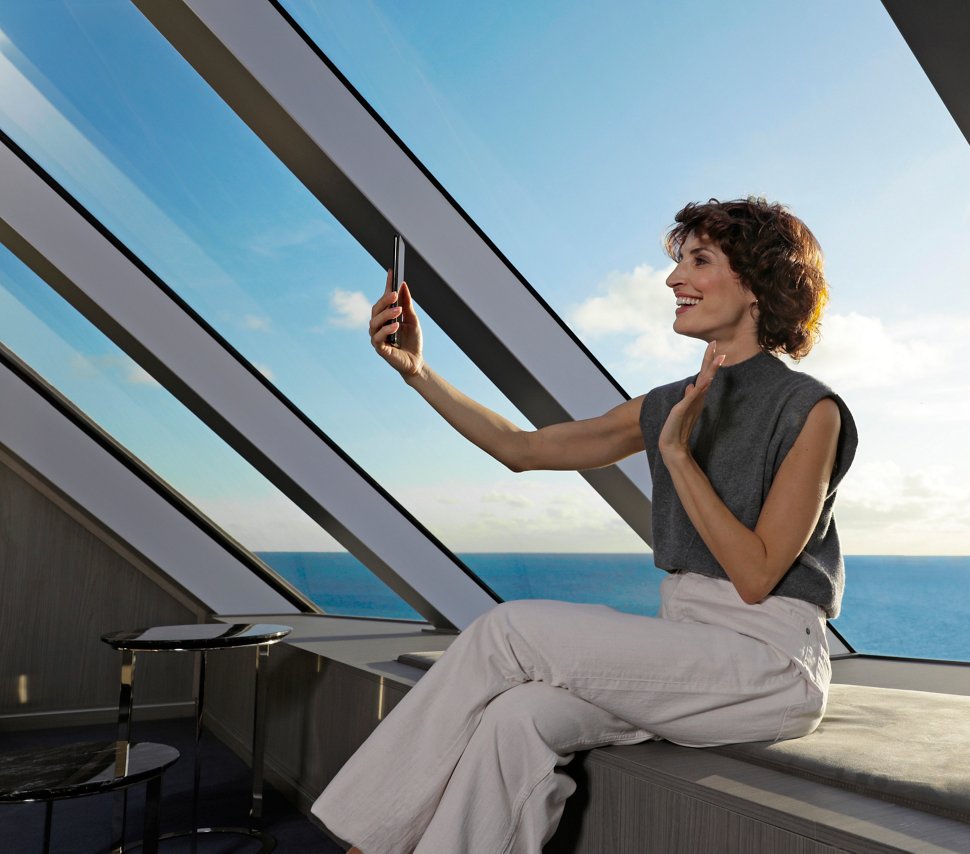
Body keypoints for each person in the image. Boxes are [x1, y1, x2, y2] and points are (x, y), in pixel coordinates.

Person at [311, 197, 858, 854]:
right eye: (678, 261)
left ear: (758, 285)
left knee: (506, 631)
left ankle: (362, 844)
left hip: (769, 667)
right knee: (519, 716)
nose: (673, 279)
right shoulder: (665, 405)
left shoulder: (810, 410)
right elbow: (525, 449)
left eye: (699, 260)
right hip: (688, 651)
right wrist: (418, 373)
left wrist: (679, 457)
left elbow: (756, 573)